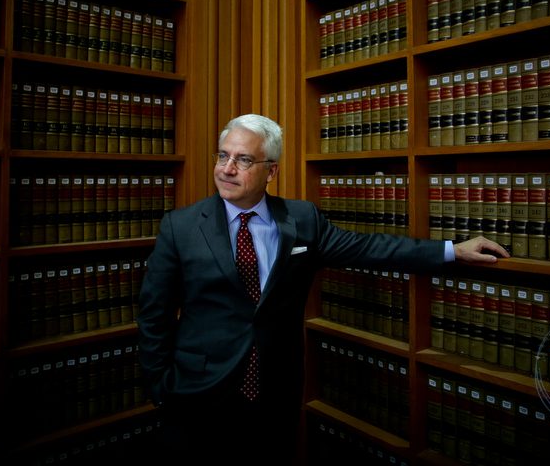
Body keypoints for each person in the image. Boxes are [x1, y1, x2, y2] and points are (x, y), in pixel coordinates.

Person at [136, 114, 509, 465]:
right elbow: (154, 314)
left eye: (244, 159)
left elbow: (369, 248)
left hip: (275, 393)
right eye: (223, 156)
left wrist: (451, 250)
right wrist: (161, 388)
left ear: (271, 171)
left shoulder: (301, 220)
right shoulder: (181, 226)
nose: (227, 169)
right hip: (197, 394)